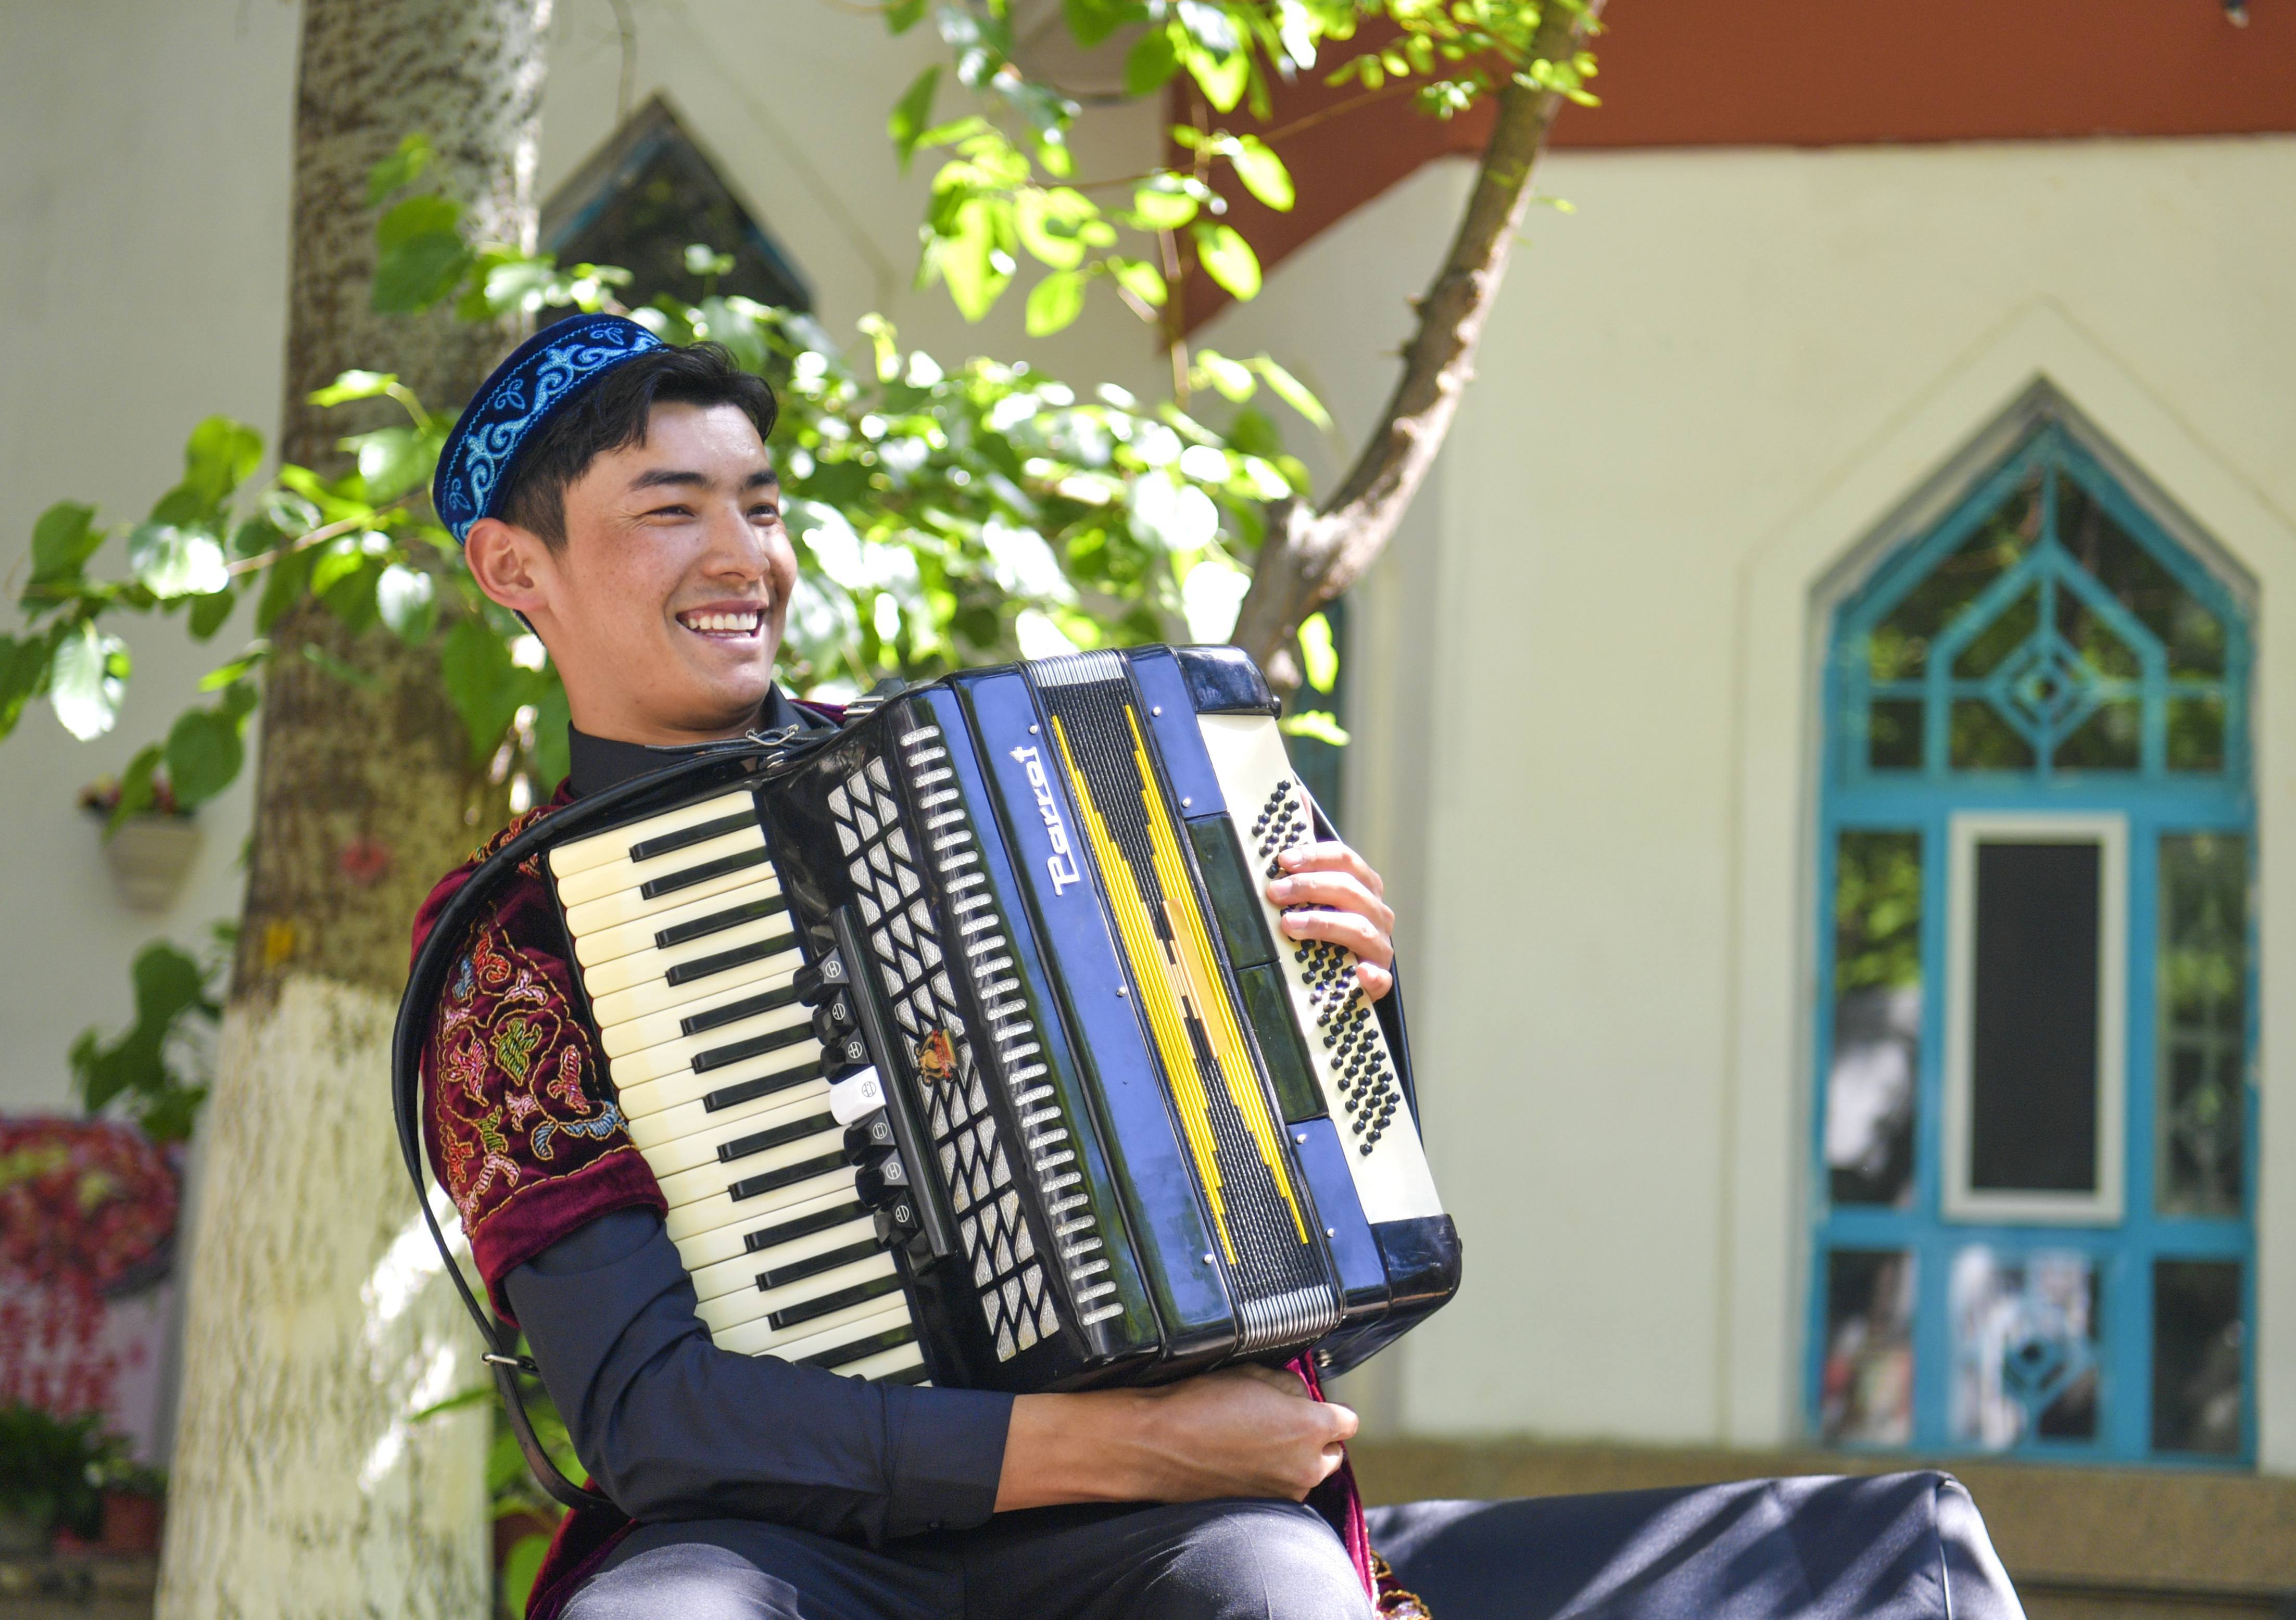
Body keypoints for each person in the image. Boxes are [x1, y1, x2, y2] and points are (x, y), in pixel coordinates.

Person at [412, 316, 2025, 1620]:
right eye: (668, 507)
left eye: (758, 503)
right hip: (781, 1545)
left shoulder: (963, 780)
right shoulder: (512, 946)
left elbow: (1300, 1267)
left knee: (1283, 1601)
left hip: (1135, 1533)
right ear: (515, 571)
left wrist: (1330, 1000)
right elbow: (663, 1422)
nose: (742, 554)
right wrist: (1114, 1447)